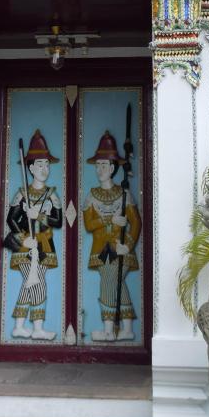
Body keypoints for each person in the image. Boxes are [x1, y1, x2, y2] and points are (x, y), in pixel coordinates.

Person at [83, 130, 142, 341]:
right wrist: (109, 220)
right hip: (101, 248)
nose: (100, 169)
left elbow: (136, 222)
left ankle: (109, 330)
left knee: (108, 283)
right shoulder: (92, 195)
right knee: (116, 284)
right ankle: (127, 329)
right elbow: (89, 225)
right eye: (97, 165)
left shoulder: (124, 194)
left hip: (121, 247)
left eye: (104, 165)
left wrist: (129, 244)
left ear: (113, 167)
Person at [4, 129, 62, 340]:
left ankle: (20, 326)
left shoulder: (52, 195)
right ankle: (37, 329)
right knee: (38, 284)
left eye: (47, 165)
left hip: (45, 245)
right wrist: (24, 238)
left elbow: (58, 221)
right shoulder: (22, 194)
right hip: (26, 245)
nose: (44, 169)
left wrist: (40, 216)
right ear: (30, 168)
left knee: (32, 283)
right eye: (39, 165)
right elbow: (11, 219)